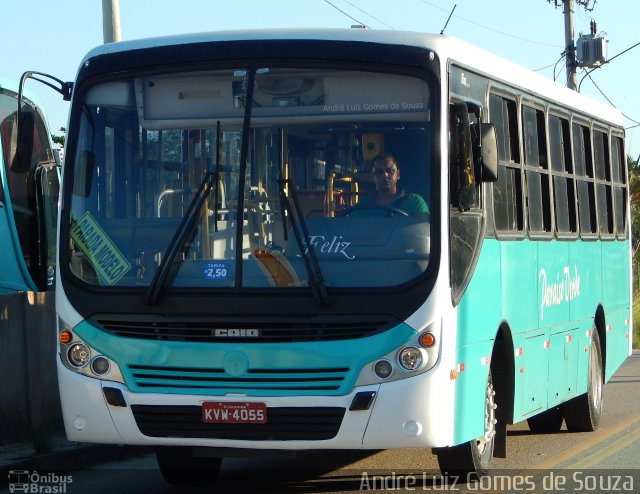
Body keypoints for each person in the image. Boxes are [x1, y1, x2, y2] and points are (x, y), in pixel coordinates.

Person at [361, 153, 429, 217]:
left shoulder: (414, 203)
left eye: (390, 171)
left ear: (398, 174)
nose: (385, 175)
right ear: (373, 176)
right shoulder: (363, 205)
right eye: (379, 172)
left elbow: (423, 227)